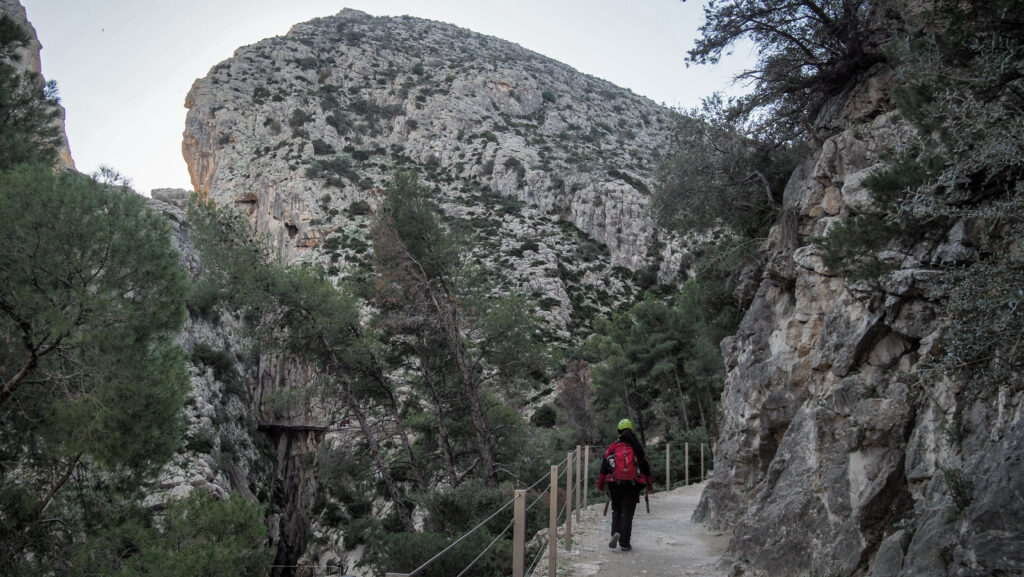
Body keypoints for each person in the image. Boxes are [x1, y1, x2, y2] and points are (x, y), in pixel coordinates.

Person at [596, 418, 652, 551]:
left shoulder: (613, 447)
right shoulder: (636, 447)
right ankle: (625, 543)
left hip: (615, 483)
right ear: (631, 431)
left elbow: (604, 467)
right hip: (633, 484)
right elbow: (645, 466)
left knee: (617, 509)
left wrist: (600, 485)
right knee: (628, 512)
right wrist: (649, 485)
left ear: (619, 431)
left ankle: (615, 532)